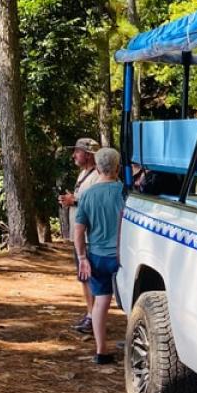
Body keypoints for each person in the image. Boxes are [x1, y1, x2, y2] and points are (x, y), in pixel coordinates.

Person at [74, 147, 125, 365]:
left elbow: (79, 230)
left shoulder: (88, 195)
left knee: (100, 302)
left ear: (98, 166)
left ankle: (101, 350)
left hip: (96, 255)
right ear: (117, 167)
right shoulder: (124, 192)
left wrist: (82, 257)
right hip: (122, 257)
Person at [58, 138, 101, 333]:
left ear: (89, 154)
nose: (74, 155)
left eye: (78, 151)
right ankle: (90, 314)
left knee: (89, 276)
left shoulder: (97, 175)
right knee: (83, 277)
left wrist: (73, 200)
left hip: (90, 237)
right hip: (81, 235)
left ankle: (94, 317)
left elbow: (95, 202)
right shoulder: (83, 174)